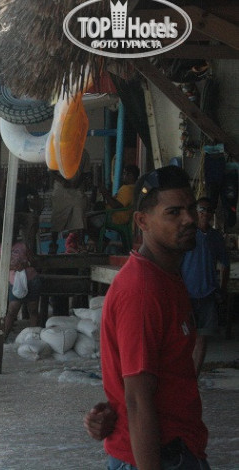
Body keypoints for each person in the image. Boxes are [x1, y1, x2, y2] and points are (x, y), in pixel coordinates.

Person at [86, 165, 209, 469]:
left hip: (178, 447)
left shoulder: (166, 277)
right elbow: (138, 400)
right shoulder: (143, 290)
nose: (189, 219)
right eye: (173, 212)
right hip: (158, 457)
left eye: (191, 209)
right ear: (142, 221)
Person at [181, 196, 229, 376]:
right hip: (187, 294)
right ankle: (183, 377)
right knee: (185, 338)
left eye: (209, 211)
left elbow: (225, 264)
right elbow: (175, 264)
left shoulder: (216, 237)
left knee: (202, 338)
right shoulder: (187, 234)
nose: (205, 214)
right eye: (202, 209)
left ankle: (194, 377)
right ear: (195, 212)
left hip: (208, 294)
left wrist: (222, 289)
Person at [0, 239, 42, 340]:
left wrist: (26, 264)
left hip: (32, 280)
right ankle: (3, 339)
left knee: (33, 310)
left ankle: (34, 337)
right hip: (14, 283)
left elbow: (34, 261)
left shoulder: (23, 245)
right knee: (12, 311)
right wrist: (12, 267)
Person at [49, 149, 91, 254]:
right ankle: (53, 245)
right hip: (61, 188)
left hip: (77, 188)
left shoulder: (84, 153)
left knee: (80, 213)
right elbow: (51, 171)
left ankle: (81, 244)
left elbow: (86, 172)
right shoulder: (57, 150)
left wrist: (78, 182)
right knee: (57, 217)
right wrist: (62, 181)